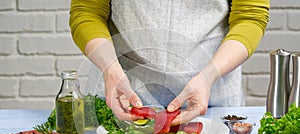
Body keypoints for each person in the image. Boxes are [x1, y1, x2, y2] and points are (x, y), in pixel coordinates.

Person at [69, 0, 270, 125]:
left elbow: (250, 17)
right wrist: (110, 69)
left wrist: (208, 77)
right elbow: (87, 12)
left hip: (212, 92)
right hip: (122, 94)